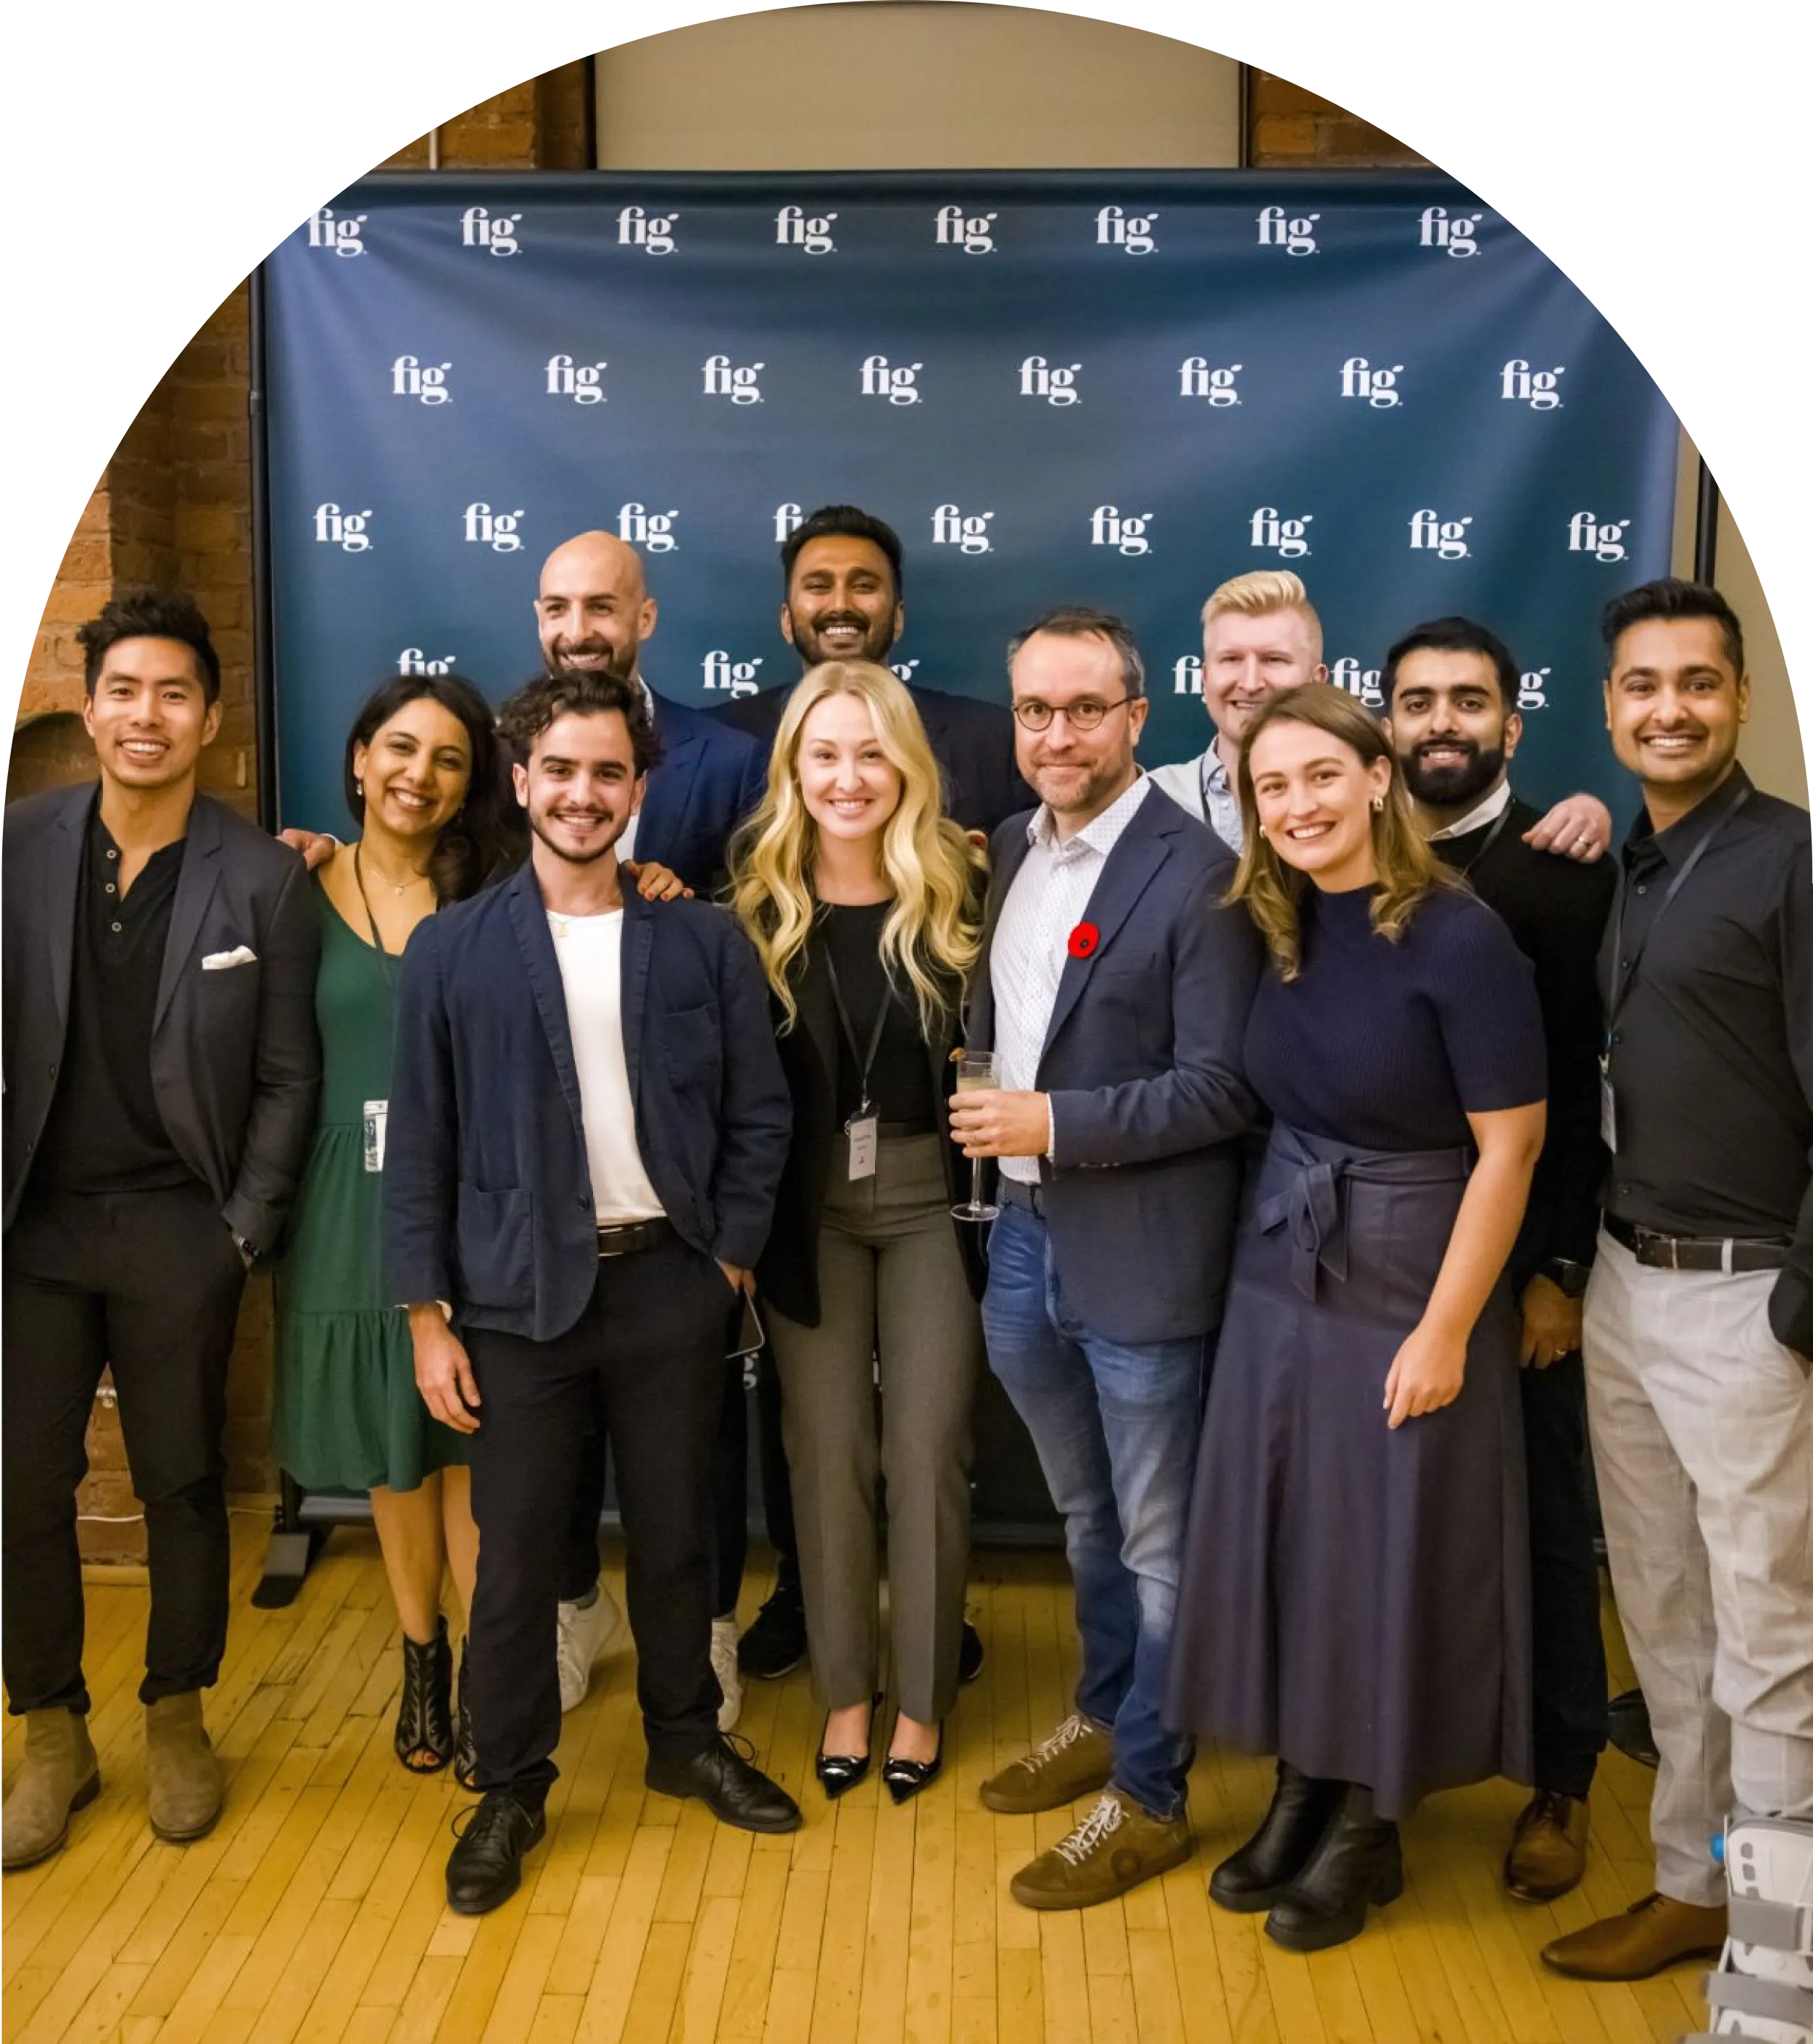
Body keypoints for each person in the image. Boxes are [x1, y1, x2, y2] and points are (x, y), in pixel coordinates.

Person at [384, 666, 799, 1917]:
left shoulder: (702, 939)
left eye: (607, 772)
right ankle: (510, 1785)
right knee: (516, 1562)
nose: (582, 793)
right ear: (520, 783)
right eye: (558, 770)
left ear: (638, 790)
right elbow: (422, 1144)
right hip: (512, 1305)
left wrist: (728, 1257)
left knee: (678, 1538)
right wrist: (425, 1317)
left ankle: (685, 1741)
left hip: (671, 1284)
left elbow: (760, 1114)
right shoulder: (451, 950)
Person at [1168, 682, 1547, 1953]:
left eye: (1320, 776)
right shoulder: (1278, 919)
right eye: (1271, 787)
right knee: (1297, 1537)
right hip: (1285, 1257)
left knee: (1390, 1546)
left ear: (1378, 777)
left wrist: (1445, 1331)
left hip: (1411, 1270)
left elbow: (1511, 1152)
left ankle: (1371, 1824)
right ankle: (1304, 1778)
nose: (1297, 805)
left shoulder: (1460, 937)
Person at [0, 591, 320, 1869]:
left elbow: (290, 1078)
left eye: (173, 694)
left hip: (184, 1231)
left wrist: (241, 1230)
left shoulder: (264, 879)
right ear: (90, 711)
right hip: (35, 1228)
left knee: (183, 1483)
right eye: (124, 691)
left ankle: (177, 1712)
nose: (148, 715)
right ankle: (51, 1734)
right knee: (22, 1487)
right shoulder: (16, 846)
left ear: (211, 719)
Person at [953, 605, 1261, 1910]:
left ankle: (1150, 1795)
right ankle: (1104, 1709)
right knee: (1085, 1519)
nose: (1058, 734)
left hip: (1144, 1259)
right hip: (1025, 1244)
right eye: (1036, 710)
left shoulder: (1199, 874)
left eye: (1086, 709)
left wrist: (1054, 1124)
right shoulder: (1010, 848)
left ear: (1139, 717)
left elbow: (1224, 1089)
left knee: (1159, 1542)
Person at [1539, 580, 1812, 1985]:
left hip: (1747, 1304)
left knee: (1769, 1643)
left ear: (1740, 698)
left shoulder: (1792, 861)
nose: (1668, 709)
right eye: (1641, 685)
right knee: (1662, 1617)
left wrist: (1793, 1318)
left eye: (1696, 683)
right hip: (1624, 1288)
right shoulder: (1630, 862)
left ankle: (1777, 1958)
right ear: (1606, 707)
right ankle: (1692, 1890)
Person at [718, 503, 1010, 1687]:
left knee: (929, 1450)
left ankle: (924, 1697)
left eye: (871, 755)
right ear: (793, 769)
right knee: (822, 1450)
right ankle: (845, 1697)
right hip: (802, 1212)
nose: (848, 778)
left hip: (934, 1200)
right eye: (825, 757)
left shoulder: (967, 890)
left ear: (907, 766)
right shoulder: (748, 907)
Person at [1382, 616, 1617, 1901]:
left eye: (1467, 702)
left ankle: (1562, 1779)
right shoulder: (1343, 861)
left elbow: (1583, 1103)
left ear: (1512, 726)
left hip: (1522, 1273)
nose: (1441, 724)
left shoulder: (1565, 877)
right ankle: (1383, 1767)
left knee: (1545, 1529)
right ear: (1386, 723)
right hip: (1375, 1270)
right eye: (1417, 702)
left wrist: (1559, 1273)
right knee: (1394, 1528)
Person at [533, 530, 768, 1729]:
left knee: (698, 1444)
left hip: (679, 1185)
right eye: (557, 607)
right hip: (543, 1181)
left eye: (601, 606)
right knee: (555, 1438)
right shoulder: (507, 755)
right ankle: (575, 1606)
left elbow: (770, 936)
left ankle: (708, 1631)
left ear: (646, 618)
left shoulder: (727, 762)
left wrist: (731, 1241)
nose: (578, 627)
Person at [270, 673, 517, 1787]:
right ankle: (423, 1655)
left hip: (467, 1194)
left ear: (469, 786)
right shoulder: (290, 885)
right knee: (391, 1448)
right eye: (402, 749)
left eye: (448, 759)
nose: (421, 774)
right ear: (361, 760)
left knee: (466, 1440)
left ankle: (485, 1683)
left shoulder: (494, 896)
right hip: (340, 1199)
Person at [1147, 568, 1614, 861]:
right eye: (1231, 660)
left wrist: (1586, 813)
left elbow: (1479, 827)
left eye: (1274, 660)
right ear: (1203, 677)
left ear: (1318, 679)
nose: (1250, 682)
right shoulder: (1150, 799)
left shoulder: (1377, 795)